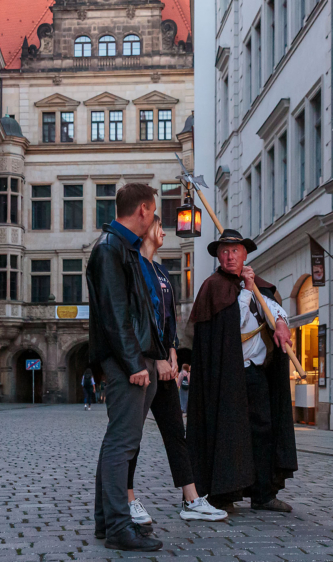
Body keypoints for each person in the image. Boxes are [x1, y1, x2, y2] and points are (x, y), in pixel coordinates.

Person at [122, 215, 227, 526]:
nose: (163, 231)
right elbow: (135, 320)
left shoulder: (162, 271)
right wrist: (154, 359)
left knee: (175, 433)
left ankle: (191, 499)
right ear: (145, 231)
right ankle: (127, 498)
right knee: (132, 435)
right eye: (158, 226)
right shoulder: (132, 268)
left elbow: (167, 319)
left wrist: (171, 352)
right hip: (143, 364)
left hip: (164, 362)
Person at [188, 229, 298, 513]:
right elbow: (235, 322)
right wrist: (246, 292)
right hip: (227, 377)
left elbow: (272, 307)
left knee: (263, 433)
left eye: (235, 251)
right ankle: (224, 494)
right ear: (218, 257)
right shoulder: (213, 287)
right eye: (224, 252)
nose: (229, 256)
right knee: (228, 434)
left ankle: (262, 494)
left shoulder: (256, 284)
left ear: (245, 254)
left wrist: (282, 322)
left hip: (257, 374)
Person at [87, 182, 166, 553]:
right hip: (127, 362)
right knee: (122, 444)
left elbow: (139, 311)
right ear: (144, 210)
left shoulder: (126, 249)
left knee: (117, 443)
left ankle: (108, 521)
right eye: (154, 211)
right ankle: (119, 526)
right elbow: (115, 314)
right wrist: (135, 363)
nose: (153, 218)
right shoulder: (110, 249)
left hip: (138, 359)